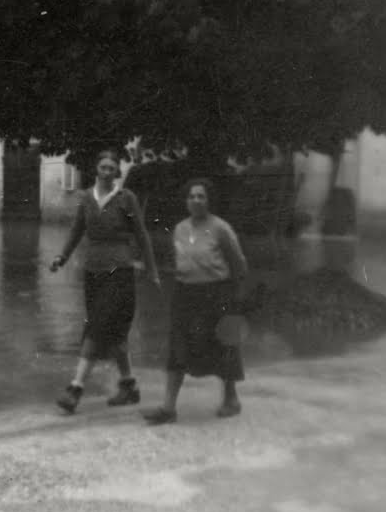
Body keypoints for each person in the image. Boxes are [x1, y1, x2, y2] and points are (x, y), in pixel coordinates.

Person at [50, 149, 161, 413]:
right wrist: (61, 257)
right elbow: (77, 230)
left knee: (96, 328)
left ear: (117, 173)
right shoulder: (87, 198)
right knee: (113, 335)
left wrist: (152, 269)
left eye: (113, 168)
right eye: (104, 168)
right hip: (92, 272)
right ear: (96, 170)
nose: (108, 172)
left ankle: (75, 388)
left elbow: (142, 235)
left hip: (120, 272)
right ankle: (129, 386)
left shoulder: (126, 198)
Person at [143, 178, 248, 425]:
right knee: (177, 347)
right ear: (186, 200)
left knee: (224, 346)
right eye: (192, 196)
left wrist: (233, 295)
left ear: (209, 201)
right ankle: (168, 408)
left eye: (201, 196)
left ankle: (231, 399)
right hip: (185, 295)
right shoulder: (179, 228)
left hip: (216, 294)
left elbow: (239, 264)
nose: (196, 201)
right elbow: (179, 261)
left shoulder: (221, 228)